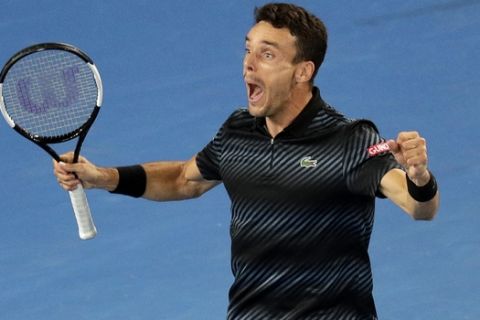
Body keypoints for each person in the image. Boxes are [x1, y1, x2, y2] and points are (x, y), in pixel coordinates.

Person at [54, 3, 440, 319]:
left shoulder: (348, 139)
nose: (248, 64)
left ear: (303, 71)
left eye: (267, 54)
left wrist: (419, 175)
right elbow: (183, 179)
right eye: (248, 49)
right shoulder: (237, 131)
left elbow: (418, 206)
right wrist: (102, 177)